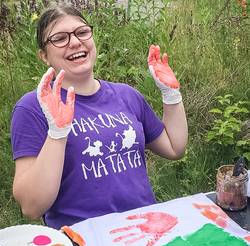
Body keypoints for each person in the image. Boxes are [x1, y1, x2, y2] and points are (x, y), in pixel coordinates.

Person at [11, 4, 188, 230]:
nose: (75, 42)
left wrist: (171, 95)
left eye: (82, 32)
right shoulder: (33, 107)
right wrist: (57, 133)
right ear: (44, 56)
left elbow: (175, 147)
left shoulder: (127, 95)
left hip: (145, 230)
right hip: (83, 239)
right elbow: (31, 206)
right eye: (60, 38)